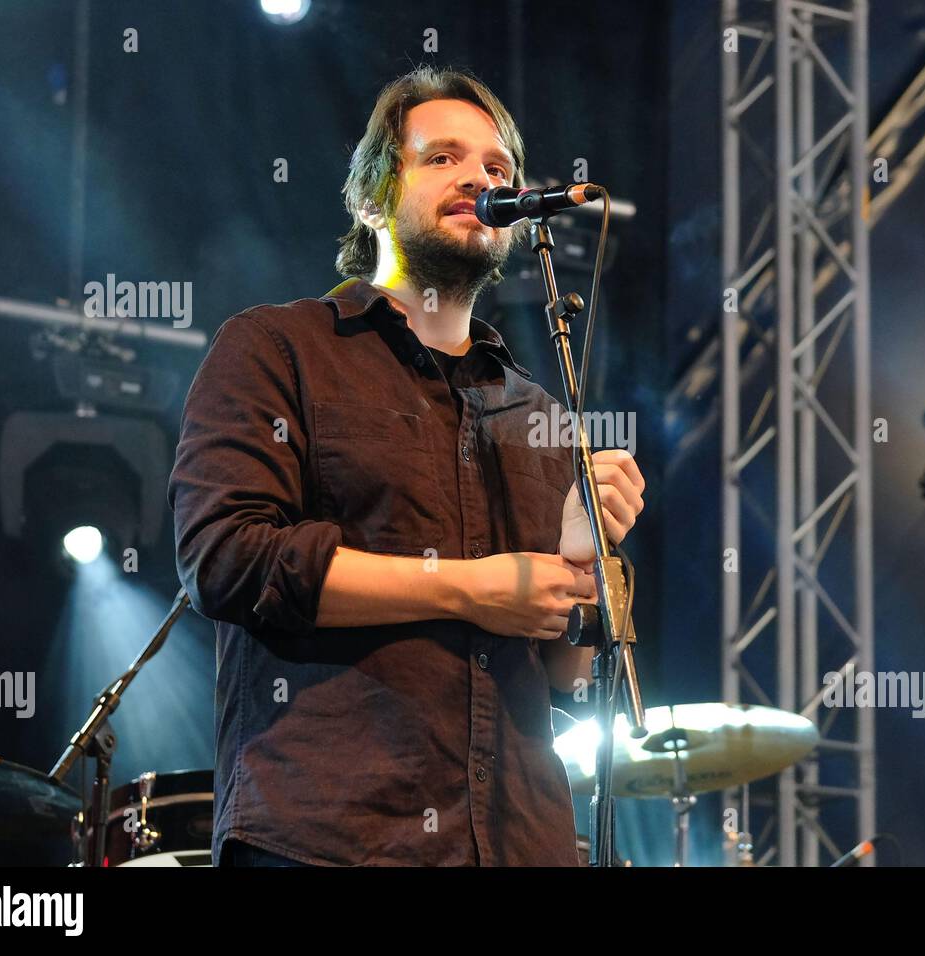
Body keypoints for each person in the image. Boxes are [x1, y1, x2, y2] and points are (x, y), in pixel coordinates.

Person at [168, 65, 645, 866]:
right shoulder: (276, 347)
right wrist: (471, 589)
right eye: (443, 158)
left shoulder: (541, 413)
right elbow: (226, 560)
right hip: (333, 834)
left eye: (499, 169)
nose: (480, 178)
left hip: (519, 839)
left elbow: (565, 675)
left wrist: (580, 557)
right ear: (370, 199)